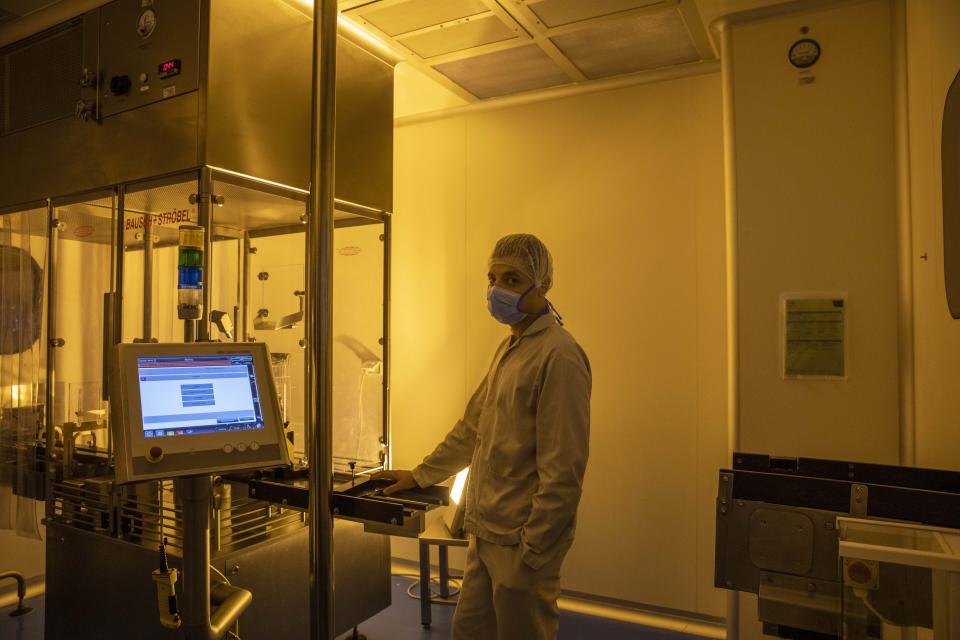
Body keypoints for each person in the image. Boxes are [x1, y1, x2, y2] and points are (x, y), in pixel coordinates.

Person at [375, 233, 591, 640]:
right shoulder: (511, 349)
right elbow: (471, 429)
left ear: (542, 285)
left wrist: (535, 549)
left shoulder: (559, 356)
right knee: (470, 631)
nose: (496, 290)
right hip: (486, 531)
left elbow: (563, 470)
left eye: (511, 279)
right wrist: (421, 475)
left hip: (522, 543)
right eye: (491, 278)